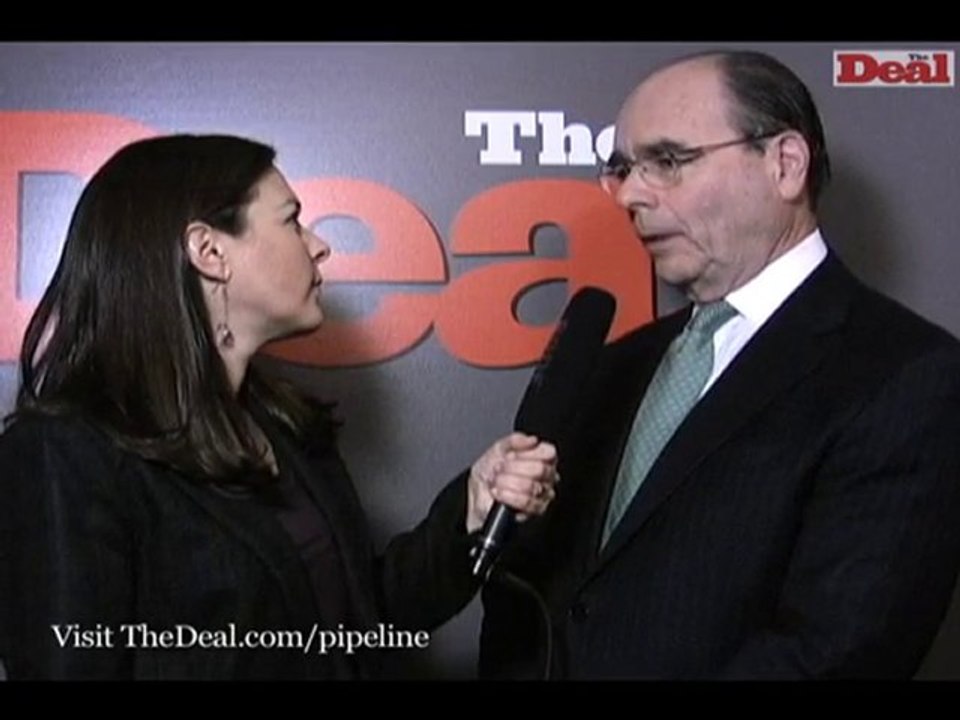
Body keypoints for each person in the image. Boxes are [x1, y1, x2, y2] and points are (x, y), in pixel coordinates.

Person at [0, 134, 558, 680]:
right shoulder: (64, 455)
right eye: (291, 220)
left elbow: (358, 621)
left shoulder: (282, 426)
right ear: (210, 252)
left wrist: (471, 512)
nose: (318, 245)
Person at [478, 49, 960, 679]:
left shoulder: (905, 374)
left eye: (668, 161)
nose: (631, 195)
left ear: (785, 164)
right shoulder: (617, 365)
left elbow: (839, 650)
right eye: (621, 169)